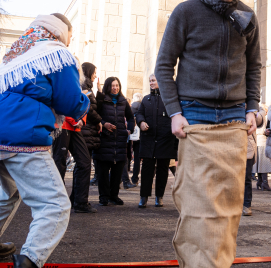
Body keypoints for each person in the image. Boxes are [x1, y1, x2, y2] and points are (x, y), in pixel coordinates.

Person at [155, 0, 261, 268]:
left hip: (233, 119)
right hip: (195, 118)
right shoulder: (186, 12)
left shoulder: (247, 16)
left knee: (229, 205)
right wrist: (174, 112)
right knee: (199, 203)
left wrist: (252, 107)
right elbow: (163, 66)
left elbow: (254, 67)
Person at [0, 13, 88, 268]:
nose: (69, 41)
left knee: (9, 189)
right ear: (63, 32)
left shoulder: (19, 51)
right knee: (54, 203)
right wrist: (85, 100)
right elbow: (70, 101)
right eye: (70, 36)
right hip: (20, 129)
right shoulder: (56, 53)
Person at [50, 61, 97, 214]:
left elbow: (81, 104)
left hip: (75, 127)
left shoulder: (77, 83)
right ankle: (56, 203)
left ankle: (80, 202)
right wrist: (75, 119)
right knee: (59, 164)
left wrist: (80, 120)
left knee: (84, 162)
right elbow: (60, 102)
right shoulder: (62, 81)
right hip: (62, 126)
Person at [135, 74, 177, 208]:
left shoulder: (169, 99)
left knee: (163, 169)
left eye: (153, 80)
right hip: (149, 139)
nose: (151, 83)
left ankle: (160, 197)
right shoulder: (146, 100)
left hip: (165, 139)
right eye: (150, 81)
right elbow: (139, 114)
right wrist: (141, 122)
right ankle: (144, 197)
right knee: (147, 169)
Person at [92, 76, 134, 207]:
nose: (115, 88)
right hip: (104, 139)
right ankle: (103, 197)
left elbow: (131, 117)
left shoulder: (123, 101)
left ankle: (114, 196)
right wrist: (104, 124)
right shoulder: (102, 100)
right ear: (108, 86)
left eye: (117, 85)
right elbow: (95, 116)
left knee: (118, 170)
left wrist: (129, 130)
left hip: (120, 140)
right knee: (103, 171)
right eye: (112, 85)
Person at [242, 108, 265, 216]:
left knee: (246, 178)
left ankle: (247, 205)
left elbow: (260, 119)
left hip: (248, 148)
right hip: (231, 147)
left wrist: (253, 113)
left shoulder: (253, 109)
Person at [254, 104, 271, 191]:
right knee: (264, 163)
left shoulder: (254, 116)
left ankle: (260, 182)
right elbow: (262, 130)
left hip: (255, 141)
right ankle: (264, 183)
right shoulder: (262, 118)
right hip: (262, 141)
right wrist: (266, 131)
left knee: (259, 163)